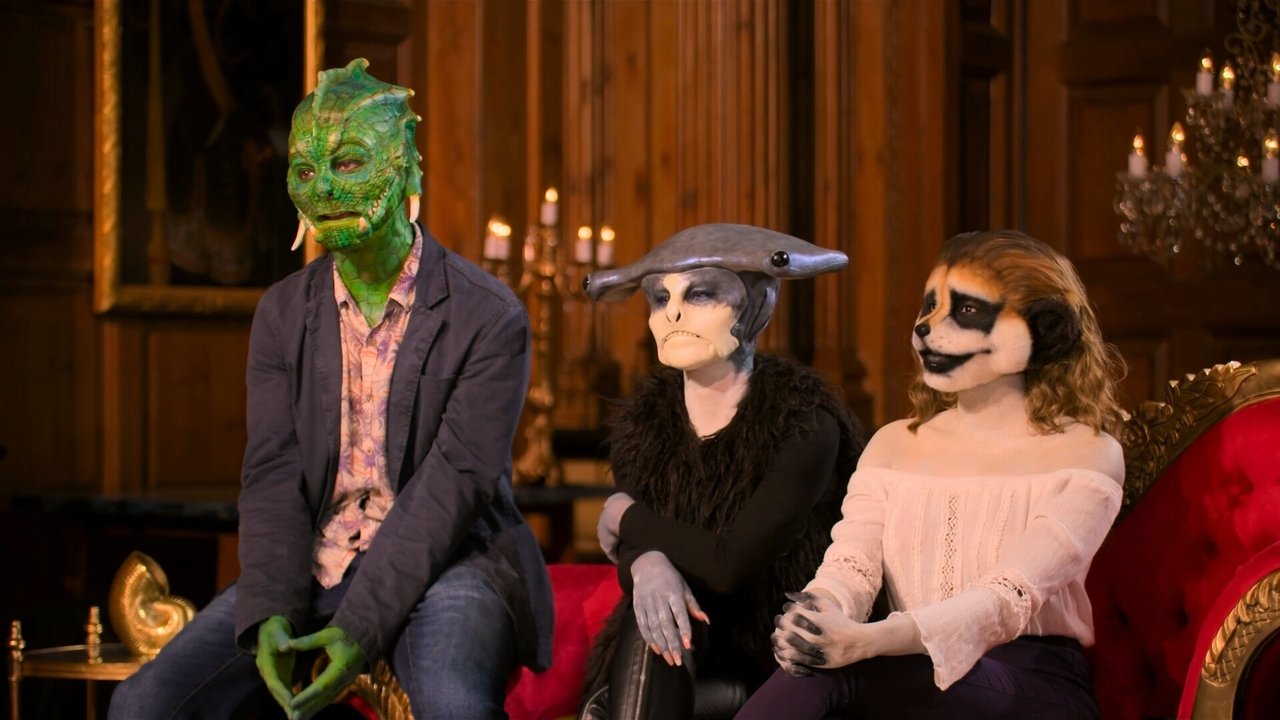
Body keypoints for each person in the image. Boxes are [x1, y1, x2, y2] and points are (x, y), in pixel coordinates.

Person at [108, 58, 553, 720]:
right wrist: (270, 610)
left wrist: (360, 626)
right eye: (305, 171)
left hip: (453, 562)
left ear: (408, 170)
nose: (323, 190)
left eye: (348, 163)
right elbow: (272, 475)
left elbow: (453, 488)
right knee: (143, 703)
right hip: (316, 561)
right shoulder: (281, 313)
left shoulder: (488, 315)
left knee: (454, 705)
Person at [736, 230, 1126, 719]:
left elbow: (1005, 599)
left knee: (845, 671)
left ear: (1043, 328)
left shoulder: (1088, 452)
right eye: (929, 306)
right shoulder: (894, 443)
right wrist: (818, 617)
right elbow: (851, 567)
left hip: (1032, 685)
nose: (926, 327)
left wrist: (868, 642)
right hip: (909, 670)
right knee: (817, 666)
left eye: (966, 310)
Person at [578, 223, 867, 719]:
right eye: (659, 298)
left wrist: (623, 515)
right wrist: (645, 564)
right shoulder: (644, 424)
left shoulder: (803, 420)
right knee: (656, 621)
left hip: (778, 653)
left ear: (755, 307)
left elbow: (730, 564)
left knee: (654, 638)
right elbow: (641, 545)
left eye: (700, 295)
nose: (672, 313)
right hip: (689, 647)